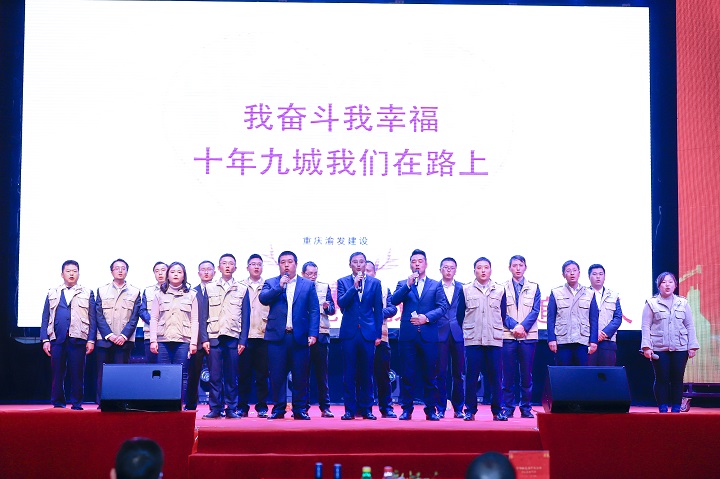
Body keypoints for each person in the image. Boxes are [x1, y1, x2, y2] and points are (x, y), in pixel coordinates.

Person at [259, 250, 319, 420]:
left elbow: (314, 310)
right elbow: (263, 299)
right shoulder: (271, 282)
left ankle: (299, 409)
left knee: (300, 374)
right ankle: (278, 409)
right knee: (277, 375)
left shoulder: (307, 285)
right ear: (279, 265)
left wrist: (313, 333)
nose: (286, 265)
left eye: (290, 262)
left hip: (299, 336)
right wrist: (279, 287)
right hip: (277, 337)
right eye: (283, 262)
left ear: (296, 264)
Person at [391, 249, 449, 421]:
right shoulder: (403, 283)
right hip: (408, 336)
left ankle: (430, 409)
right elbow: (394, 301)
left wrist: (426, 318)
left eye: (420, 261)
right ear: (410, 264)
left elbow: (443, 307)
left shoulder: (435, 285)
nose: (417, 264)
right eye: (414, 261)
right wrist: (407, 285)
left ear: (426, 264)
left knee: (430, 374)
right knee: (407, 374)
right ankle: (406, 409)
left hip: (428, 335)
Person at [457, 257, 508, 421]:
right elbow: (460, 315)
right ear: (474, 271)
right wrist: (470, 329)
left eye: (486, 267)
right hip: (474, 340)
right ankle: (470, 410)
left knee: (496, 377)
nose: (483, 270)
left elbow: (502, 314)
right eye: (479, 267)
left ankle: (498, 411)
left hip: (494, 339)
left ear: (491, 270)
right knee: (471, 377)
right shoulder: (465, 289)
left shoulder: (500, 290)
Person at [200, 253, 251, 419]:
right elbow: (203, 315)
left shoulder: (242, 289)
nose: (227, 266)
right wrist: (204, 338)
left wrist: (243, 340)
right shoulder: (209, 288)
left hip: (233, 337)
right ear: (219, 267)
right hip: (214, 336)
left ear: (235, 268)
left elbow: (246, 317)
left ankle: (231, 408)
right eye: (224, 263)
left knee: (231, 376)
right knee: (214, 376)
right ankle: (215, 408)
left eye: (231, 264)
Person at [41, 260, 96, 410]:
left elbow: (92, 318)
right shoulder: (53, 292)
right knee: (57, 373)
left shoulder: (87, 292)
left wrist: (91, 340)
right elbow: (45, 317)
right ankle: (58, 402)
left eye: (74, 271)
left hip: (78, 338)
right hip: (57, 338)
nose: (71, 274)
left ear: (78, 274)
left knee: (77, 373)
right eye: (68, 271)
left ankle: (77, 403)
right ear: (62, 274)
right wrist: (45, 339)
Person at [641, 272, 700, 413]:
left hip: (680, 347)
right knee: (662, 378)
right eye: (664, 282)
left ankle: (676, 407)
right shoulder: (651, 303)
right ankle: (662, 407)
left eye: (670, 282)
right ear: (658, 285)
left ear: (675, 285)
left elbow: (689, 325)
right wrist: (646, 347)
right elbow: (645, 326)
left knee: (677, 378)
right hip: (659, 347)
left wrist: (692, 346)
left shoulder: (683, 303)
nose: (667, 285)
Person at [336, 252, 384, 420]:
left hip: (368, 333)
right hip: (349, 333)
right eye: (355, 262)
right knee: (349, 373)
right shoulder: (343, 282)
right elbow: (341, 303)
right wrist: (354, 287)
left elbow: (378, 310)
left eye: (361, 262)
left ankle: (367, 409)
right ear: (350, 264)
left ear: (365, 264)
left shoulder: (375, 283)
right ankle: (349, 410)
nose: (358, 265)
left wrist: (378, 334)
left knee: (367, 373)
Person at [149, 262, 199, 407]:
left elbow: (195, 320)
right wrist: (153, 340)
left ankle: (178, 405)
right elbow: (154, 318)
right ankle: (163, 405)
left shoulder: (191, 295)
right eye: (172, 272)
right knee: (162, 373)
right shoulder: (159, 294)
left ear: (184, 276)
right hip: (162, 340)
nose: (176, 274)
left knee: (181, 374)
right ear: (168, 275)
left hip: (183, 340)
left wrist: (193, 343)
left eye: (179, 272)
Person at [95, 258, 141, 404]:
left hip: (124, 340)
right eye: (117, 268)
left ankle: (120, 403)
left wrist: (123, 335)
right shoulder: (102, 290)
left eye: (123, 268)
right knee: (103, 374)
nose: (120, 271)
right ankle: (102, 403)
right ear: (111, 271)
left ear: (127, 271)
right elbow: (98, 315)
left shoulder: (135, 291)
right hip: (105, 339)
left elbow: (134, 317)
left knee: (122, 374)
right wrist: (109, 335)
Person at [501, 255, 541, 419]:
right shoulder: (501, 287)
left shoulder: (534, 287)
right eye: (514, 265)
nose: (518, 268)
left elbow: (535, 310)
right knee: (508, 374)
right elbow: (501, 311)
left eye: (521, 265)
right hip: (508, 336)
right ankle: (508, 407)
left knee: (526, 375)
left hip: (528, 336)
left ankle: (526, 408)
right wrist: (515, 327)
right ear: (509, 268)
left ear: (525, 267)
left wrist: (523, 327)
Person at [546, 260, 598, 366]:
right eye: (568, 271)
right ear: (563, 275)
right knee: (563, 373)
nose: (572, 273)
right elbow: (551, 318)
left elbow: (593, 319)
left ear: (579, 273)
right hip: (562, 340)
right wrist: (551, 339)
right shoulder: (556, 292)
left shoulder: (589, 293)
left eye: (574, 270)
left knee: (582, 373)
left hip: (582, 340)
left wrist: (593, 341)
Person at [302, 261, 337, 418]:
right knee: (302, 373)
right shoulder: (298, 287)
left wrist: (327, 307)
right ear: (303, 274)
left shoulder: (324, 287)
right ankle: (302, 407)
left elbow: (332, 310)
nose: (312, 277)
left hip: (321, 333)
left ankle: (325, 407)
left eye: (315, 274)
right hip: (303, 334)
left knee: (322, 374)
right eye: (309, 274)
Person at [238, 254, 271, 418]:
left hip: (263, 335)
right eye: (253, 264)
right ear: (247, 267)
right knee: (243, 374)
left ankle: (262, 406)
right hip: (243, 336)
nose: (256, 267)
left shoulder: (269, 286)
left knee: (262, 375)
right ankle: (242, 406)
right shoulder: (239, 286)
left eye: (259, 264)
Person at [365, 260, 398, 418]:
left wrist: (377, 313)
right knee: (362, 374)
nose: (366, 273)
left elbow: (392, 308)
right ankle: (363, 407)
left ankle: (386, 407)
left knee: (383, 374)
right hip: (361, 338)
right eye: (364, 270)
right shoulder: (355, 288)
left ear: (374, 273)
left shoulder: (384, 289)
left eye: (369, 270)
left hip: (382, 337)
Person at [436, 257, 465, 419]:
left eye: (452, 268)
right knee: (440, 372)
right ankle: (440, 407)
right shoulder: (434, 287)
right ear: (440, 269)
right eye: (445, 267)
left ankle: (458, 408)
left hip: (458, 333)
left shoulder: (463, 287)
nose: (448, 270)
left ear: (456, 270)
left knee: (458, 373)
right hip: (439, 333)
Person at [185, 260, 215, 411]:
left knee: (216, 375)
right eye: (203, 269)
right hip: (195, 340)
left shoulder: (218, 291)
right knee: (193, 374)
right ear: (198, 273)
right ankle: (191, 405)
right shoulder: (192, 292)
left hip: (214, 338)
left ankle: (217, 406)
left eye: (209, 269)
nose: (206, 272)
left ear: (214, 272)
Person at [586, 264, 623, 366]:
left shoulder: (613, 295)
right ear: (589, 276)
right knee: (588, 373)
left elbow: (618, 318)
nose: (598, 277)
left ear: (604, 276)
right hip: (588, 341)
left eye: (600, 274)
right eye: (594, 274)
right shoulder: (582, 294)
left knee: (606, 373)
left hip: (608, 341)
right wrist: (594, 333)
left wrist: (604, 333)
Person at [138, 262, 168, 364]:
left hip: (169, 335)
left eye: (163, 270)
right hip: (150, 334)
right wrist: (154, 322)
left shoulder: (176, 290)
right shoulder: (148, 291)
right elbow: (142, 310)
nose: (160, 273)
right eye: (157, 271)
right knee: (152, 367)